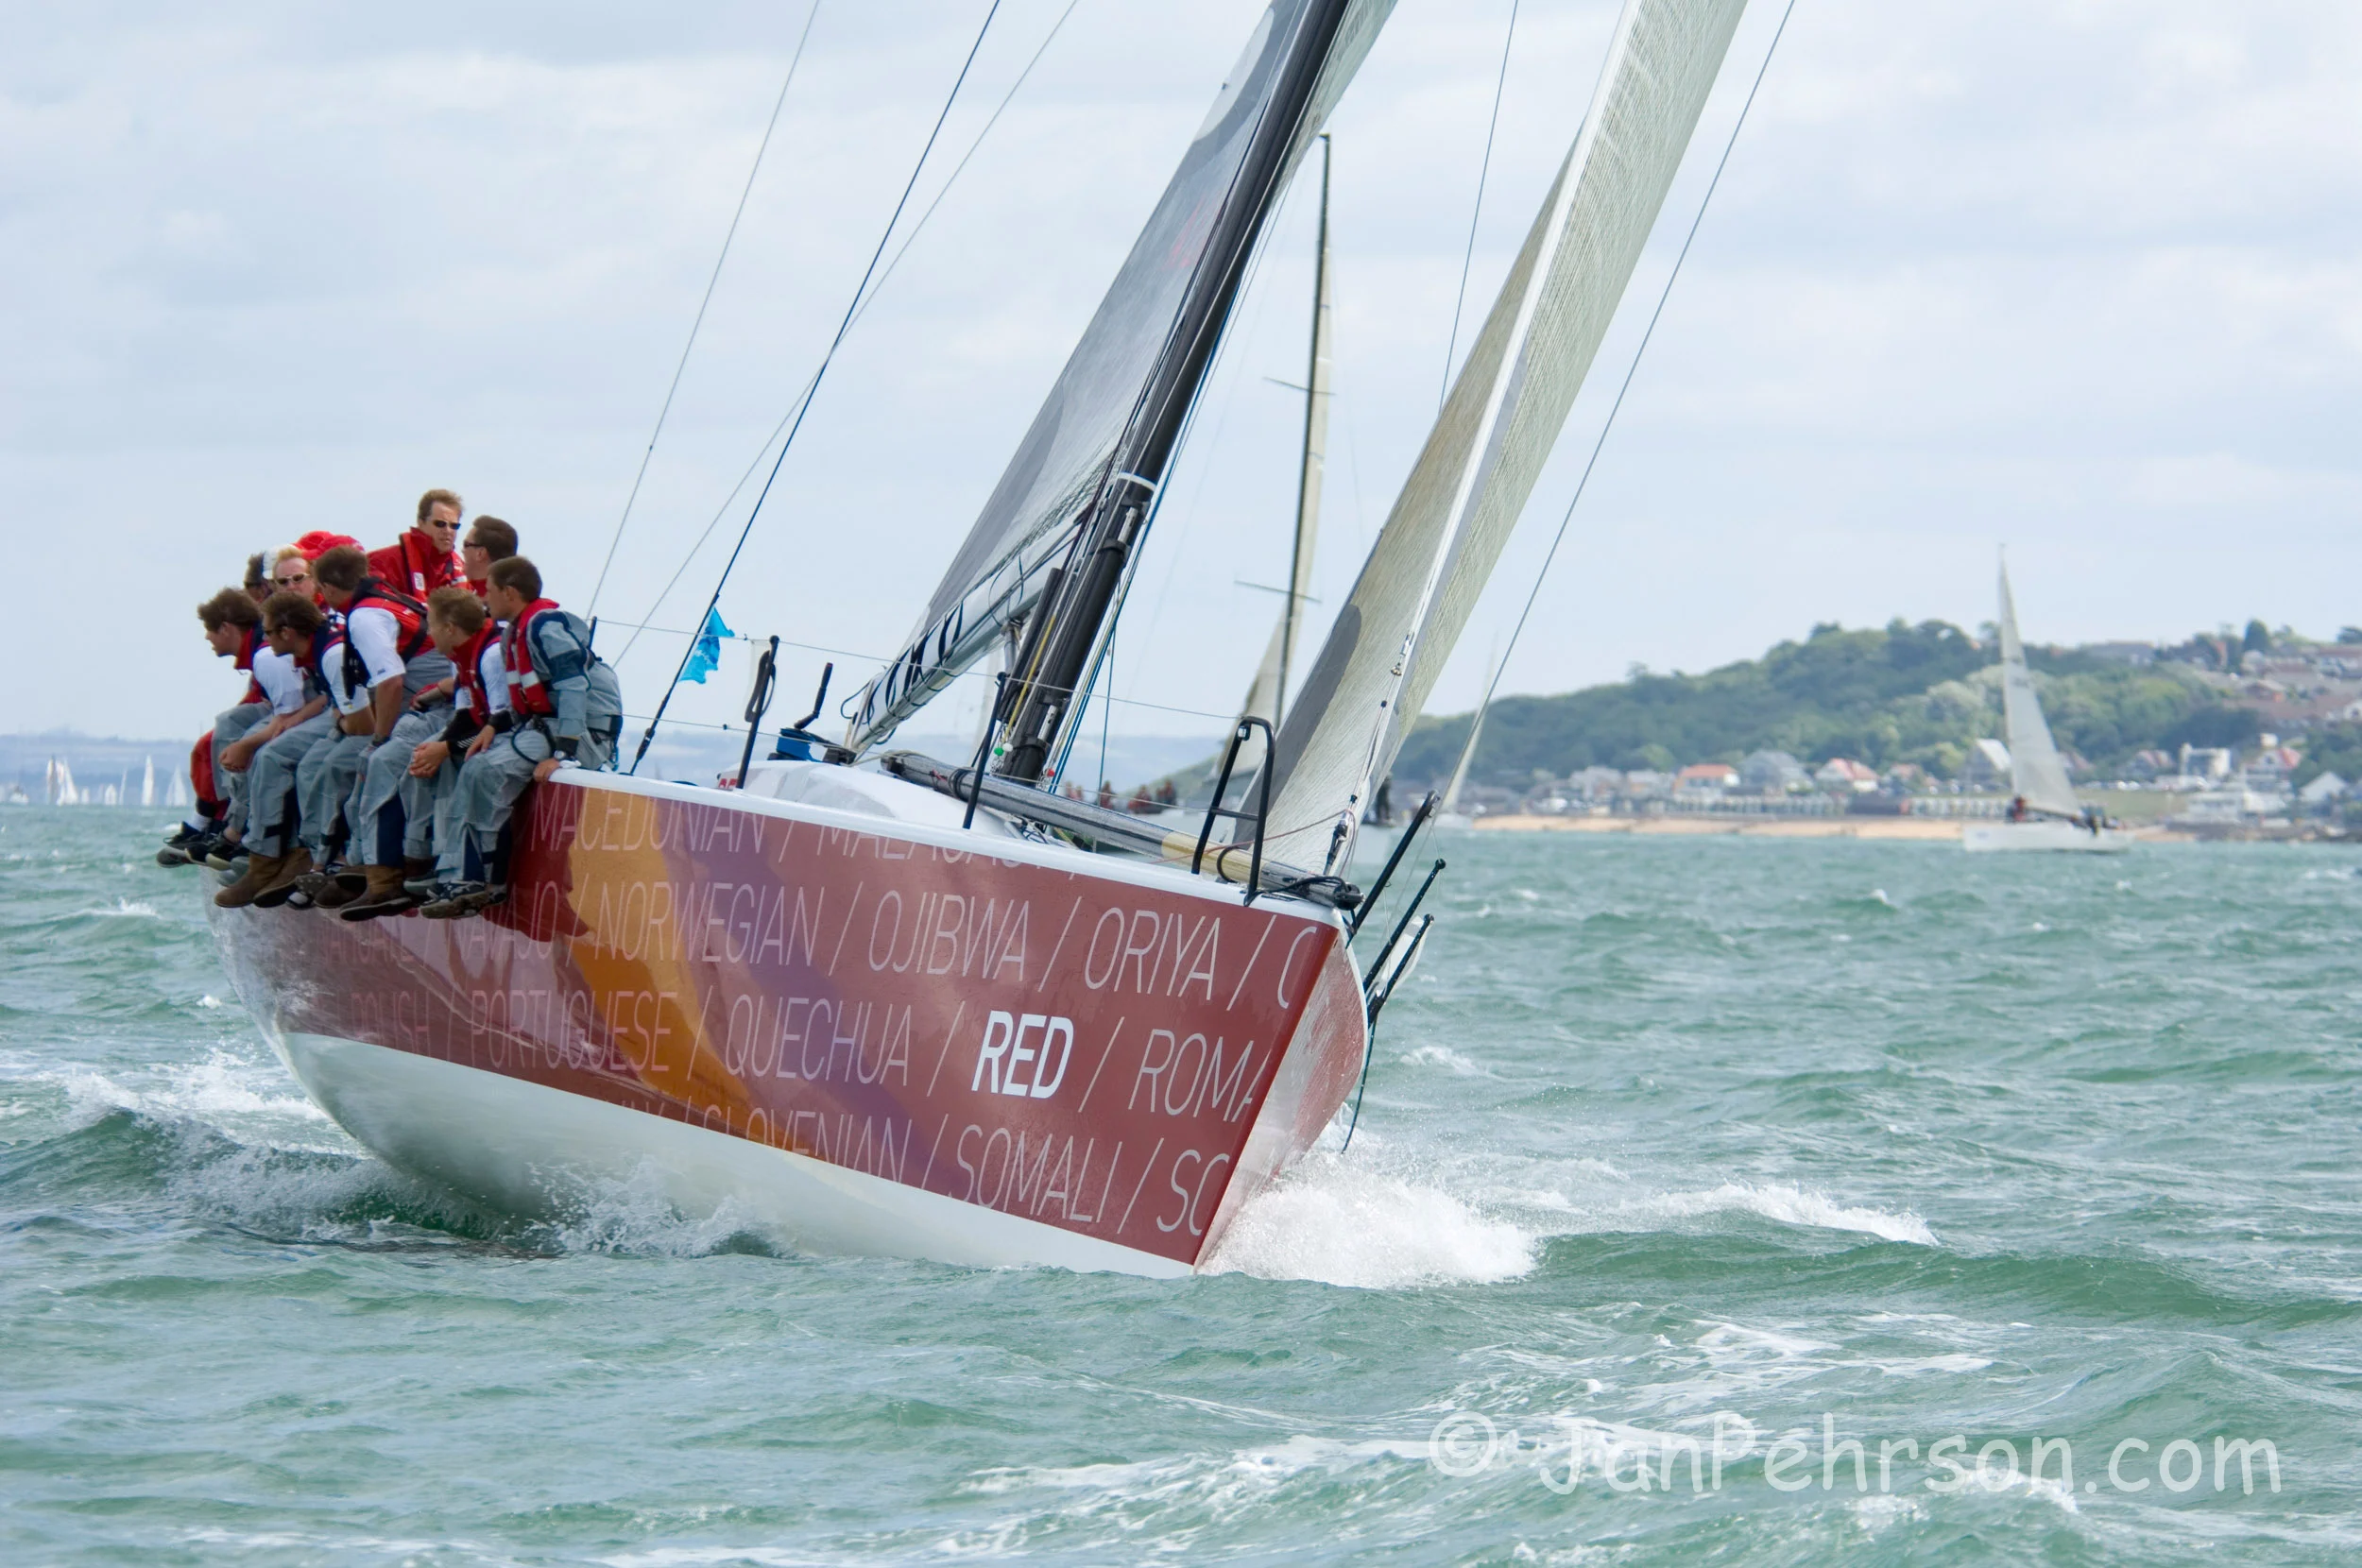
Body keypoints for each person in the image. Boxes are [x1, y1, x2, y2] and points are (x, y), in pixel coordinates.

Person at [421, 556, 622, 918]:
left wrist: (565, 755)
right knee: (473, 763)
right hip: (545, 725)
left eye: (490, 591)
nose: (485, 598)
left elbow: (573, 688)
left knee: (485, 772)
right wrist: (492, 728)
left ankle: (476, 879)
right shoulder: (514, 634)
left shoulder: (544, 629)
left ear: (509, 593)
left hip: (580, 734)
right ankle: (468, 876)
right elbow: (525, 699)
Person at [310, 545, 455, 910]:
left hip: (440, 701)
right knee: (364, 763)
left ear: (326, 589)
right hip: (433, 694)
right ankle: (360, 865)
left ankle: (385, 877)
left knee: (378, 763)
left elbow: (390, 682)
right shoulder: (388, 597)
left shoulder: (363, 617)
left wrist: (379, 738)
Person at [359, 587, 508, 920]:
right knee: (423, 759)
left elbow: (504, 720)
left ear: (451, 629)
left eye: (433, 625)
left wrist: (448, 749)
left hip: (510, 732)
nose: (428, 632)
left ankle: (459, 873)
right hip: (484, 729)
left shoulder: (492, 656)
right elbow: (466, 715)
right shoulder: (461, 658)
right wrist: (440, 746)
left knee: (464, 770)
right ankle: (422, 863)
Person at [214, 594, 340, 909]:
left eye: (268, 632)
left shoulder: (305, 654)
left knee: (276, 757)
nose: (264, 639)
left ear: (286, 632)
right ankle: (262, 852)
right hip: (336, 710)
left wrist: (250, 744)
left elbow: (348, 704)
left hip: (354, 718)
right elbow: (323, 699)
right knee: (259, 744)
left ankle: (283, 857)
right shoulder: (313, 649)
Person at [162, 589, 276, 867]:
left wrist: (248, 742)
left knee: (232, 736)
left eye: (209, 630)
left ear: (226, 628)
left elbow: (287, 705)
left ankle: (227, 826)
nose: (206, 637)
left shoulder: (264, 654)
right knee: (216, 735)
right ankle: (212, 822)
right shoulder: (258, 650)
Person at [368, 489, 467, 598]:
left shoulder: (465, 571)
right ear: (421, 522)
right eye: (440, 523)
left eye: (454, 526)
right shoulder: (381, 562)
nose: (448, 531)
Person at [459, 516, 518, 596]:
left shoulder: (501, 604)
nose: (462, 550)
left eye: (466, 545)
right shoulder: (515, 598)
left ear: (480, 553)